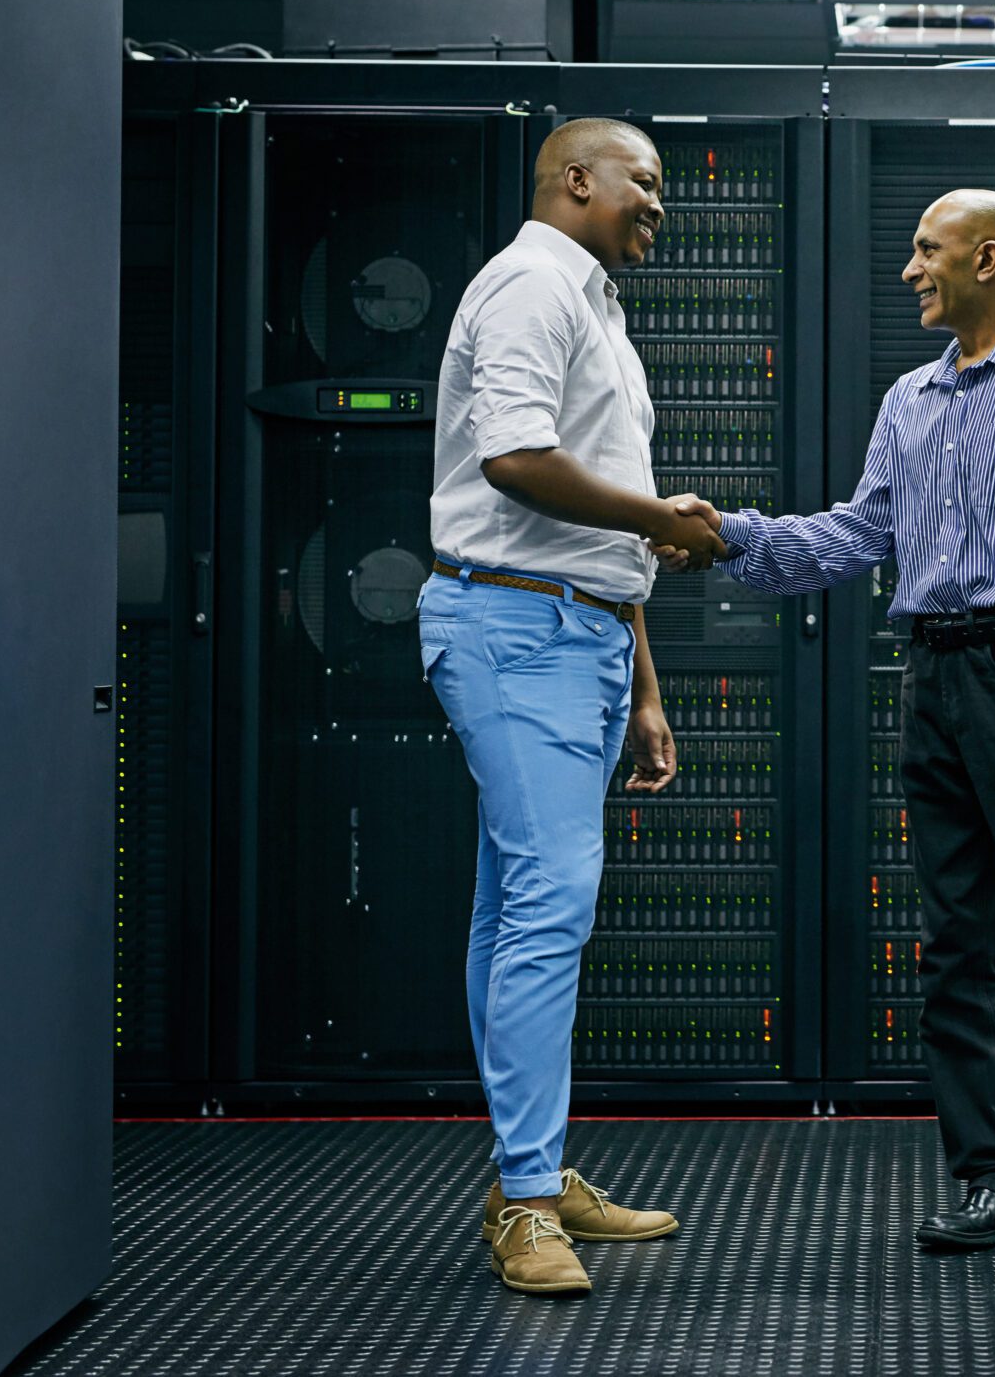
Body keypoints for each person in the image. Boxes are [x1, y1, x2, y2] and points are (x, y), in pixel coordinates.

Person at [661, 188, 995, 1279]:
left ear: (988, 259)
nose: (909, 270)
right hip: (932, 673)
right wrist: (732, 534)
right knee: (954, 951)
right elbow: (859, 531)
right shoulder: (910, 396)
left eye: (925, 249)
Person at [418, 117, 725, 1296]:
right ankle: (528, 1197)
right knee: (550, 899)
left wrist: (644, 683)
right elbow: (515, 459)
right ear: (576, 178)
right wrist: (657, 519)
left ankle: (525, 1171)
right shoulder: (528, 287)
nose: (658, 202)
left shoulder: (595, 305)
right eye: (644, 182)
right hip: (510, 625)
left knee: (516, 904)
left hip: (577, 630)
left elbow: (601, 520)